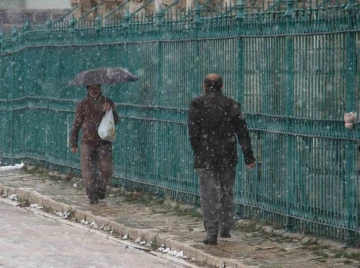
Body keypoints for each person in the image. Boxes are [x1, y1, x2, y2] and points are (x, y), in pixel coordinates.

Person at [188, 73, 256, 245]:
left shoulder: (197, 104)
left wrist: (199, 151)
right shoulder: (232, 104)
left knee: (208, 194)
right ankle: (225, 226)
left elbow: (193, 133)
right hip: (227, 154)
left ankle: (211, 232)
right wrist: (249, 156)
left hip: (205, 156)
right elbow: (242, 132)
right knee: (227, 191)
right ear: (222, 87)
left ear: (204, 86)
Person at [71, 84, 119, 204]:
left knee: (107, 168)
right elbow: (76, 124)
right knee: (88, 171)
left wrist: (110, 110)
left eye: (96, 88)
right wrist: (73, 143)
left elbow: (116, 120)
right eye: (91, 88)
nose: (94, 90)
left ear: (100, 88)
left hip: (104, 141)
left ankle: (101, 188)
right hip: (87, 141)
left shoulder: (108, 101)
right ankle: (92, 195)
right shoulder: (82, 104)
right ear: (87, 90)